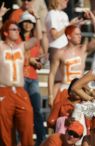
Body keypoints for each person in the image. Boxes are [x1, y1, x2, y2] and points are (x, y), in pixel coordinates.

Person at [48, 10, 95, 107]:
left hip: (80, 89)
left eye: (80, 34)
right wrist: (50, 95)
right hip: (64, 89)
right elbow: (52, 74)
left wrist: (93, 18)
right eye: (77, 34)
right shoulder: (59, 52)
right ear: (69, 36)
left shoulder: (83, 49)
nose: (80, 36)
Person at [0, 20, 40, 145]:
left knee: (27, 123)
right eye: (14, 29)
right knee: (5, 128)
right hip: (4, 90)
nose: (18, 31)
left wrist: (37, 20)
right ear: (6, 33)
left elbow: (36, 38)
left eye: (18, 29)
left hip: (20, 91)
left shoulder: (21, 46)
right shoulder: (1, 46)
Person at [18, 11, 46, 145]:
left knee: (37, 111)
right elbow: (14, 56)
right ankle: (19, 140)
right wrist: (31, 60)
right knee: (21, 110)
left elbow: (40, 63)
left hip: (33, 78)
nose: (28, 24)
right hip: (20, 78)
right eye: (26, 22)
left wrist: (39, 62)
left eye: (31, 22)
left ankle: (41, 140)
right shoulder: (16, 39)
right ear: (21, 24)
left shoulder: (36, 42)